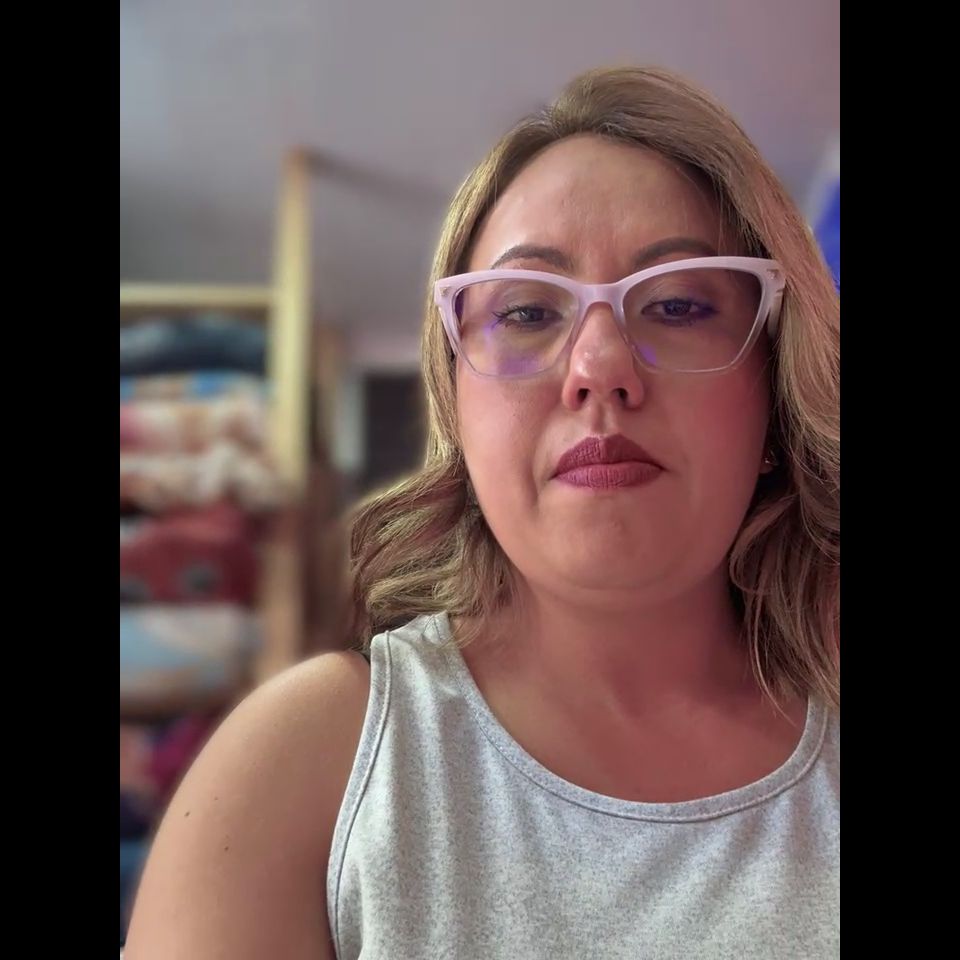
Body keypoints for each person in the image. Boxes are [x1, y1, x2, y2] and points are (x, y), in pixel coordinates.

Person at [125, 65, 840, 959]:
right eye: (529, 311)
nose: (599, 368)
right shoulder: (306, 767)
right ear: (457, 407)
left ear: (776, 389)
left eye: (680, 303)